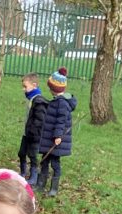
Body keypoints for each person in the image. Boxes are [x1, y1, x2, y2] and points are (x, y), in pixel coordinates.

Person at [38, 67, 77, 197]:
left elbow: (61, 121)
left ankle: (54, 188)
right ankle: (41, 184)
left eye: (50, 87)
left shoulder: (62, 104)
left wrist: (58, 136)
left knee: (55, 163)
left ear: (54, 89)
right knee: (44, 160)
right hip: (48, 138)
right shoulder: (56, 101)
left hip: (55, 139)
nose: (49, 90)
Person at [19, 72, 49, 187]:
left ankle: (33, 176)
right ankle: (22, 173)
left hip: (34, 135)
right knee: (21, 153)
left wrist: (33, 133)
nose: (23, 89)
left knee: (32, 155)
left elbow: (39, 120)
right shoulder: (31, 98)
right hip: (26, 133)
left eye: (25, 86)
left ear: (34, 85)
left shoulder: (39, 101)